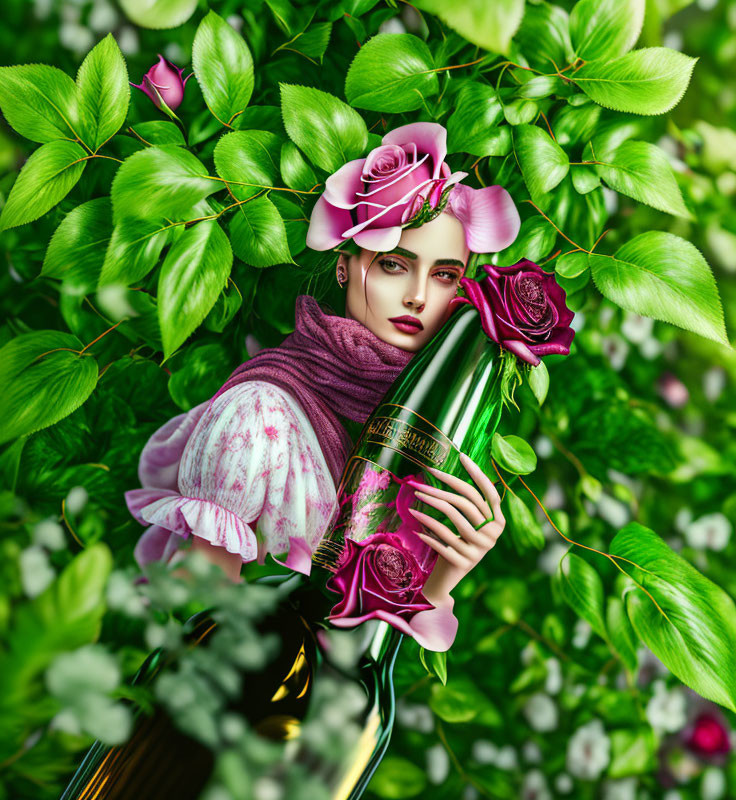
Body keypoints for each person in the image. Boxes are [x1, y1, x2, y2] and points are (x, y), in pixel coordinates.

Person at [125, 121, 520, 650]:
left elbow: (366, 653)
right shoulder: (260, 416)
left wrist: (442, 579)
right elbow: (193, 622)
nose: (419, 297)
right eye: (394, 265)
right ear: (344, 266)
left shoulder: (432, 428)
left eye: (445, 275)